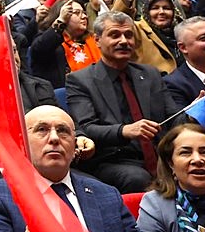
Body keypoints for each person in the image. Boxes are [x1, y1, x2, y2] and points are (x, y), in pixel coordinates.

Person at [0, 105, 165, 232]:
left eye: (63, 131)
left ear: (75, 145)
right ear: (22, 142)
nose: (54, 138)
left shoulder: (106, 194)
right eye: (42, 130)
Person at [66, 11, 187, 193]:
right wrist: (125, 131)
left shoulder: (150, 74)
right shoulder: (80, 80)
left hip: (160, 154)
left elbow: (173, 117)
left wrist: (195, 111)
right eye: (115, 35)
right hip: (114, 159)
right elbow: (86, 128)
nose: (123, 41)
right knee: (138, 178)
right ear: (97, 40)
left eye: (128, 35)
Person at [116, 0, 186, 75]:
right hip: (154, 85)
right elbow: (118, 21)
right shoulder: (138, 30)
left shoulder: (182, 32)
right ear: (146, 12)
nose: (161, 12)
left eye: (166, 8)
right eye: (155, 8)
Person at [29, 0, 100, 88]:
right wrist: (61, 21)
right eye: (77, 13)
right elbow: (39, 49)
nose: (84, 16)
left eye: (84, 13)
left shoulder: (93, 39)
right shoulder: (51, 41)